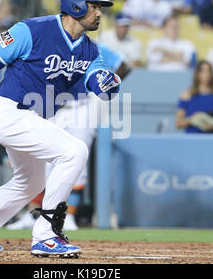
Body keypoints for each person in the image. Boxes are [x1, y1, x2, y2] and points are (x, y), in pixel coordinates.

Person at [0, 0, 121, 257]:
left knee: (29, 183)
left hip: (33, 119)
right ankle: (46, 234)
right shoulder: (31, 30)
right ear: (75, 5)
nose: (99, 12)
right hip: (10, 114)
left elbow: (96, 82)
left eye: (100, 7)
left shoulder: (90, 50)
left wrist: (106, 83)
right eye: (94, 6)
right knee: (75, 151)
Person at [7, 42, 131, 231]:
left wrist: (103, 86)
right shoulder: (52, 43)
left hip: (82, 106)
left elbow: (124, 65)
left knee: (79, 161)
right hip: (53, 105)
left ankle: (68, 216)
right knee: (42, 158)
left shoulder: (92, 48)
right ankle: (34, 214)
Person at [176, 60, 213, 133]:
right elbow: (178, 124)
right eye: (203, 71)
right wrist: (193, 119)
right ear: (197, 74)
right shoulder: (187, 95)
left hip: (211, 140)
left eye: (209, 71)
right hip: (191, 139)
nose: (207, 74)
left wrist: (211, 124)